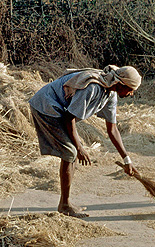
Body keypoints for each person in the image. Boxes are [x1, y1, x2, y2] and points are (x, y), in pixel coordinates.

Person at [28, 65, 142, 218]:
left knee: (72, 153)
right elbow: (69, 119)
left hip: (59, 111)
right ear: (121, 84)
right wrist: (80, 147)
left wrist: (126, 160)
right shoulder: (93, 88)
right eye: (130, 89)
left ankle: (65, 202)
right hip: (46, 106)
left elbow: (112, 129)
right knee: (71, 152)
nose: (131, 93)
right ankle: (65, 205)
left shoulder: (110, 94)